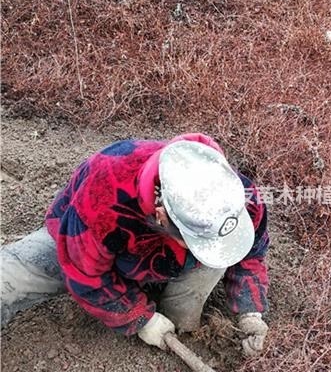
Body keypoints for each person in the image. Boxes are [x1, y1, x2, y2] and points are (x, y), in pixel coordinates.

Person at [0, 135, 270, 358]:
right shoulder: (104, 197)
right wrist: (140, 318)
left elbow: (251, 250)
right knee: (7, 280)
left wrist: (251, 312)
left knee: (206, 271)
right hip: (86, 246)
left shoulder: (235, 194)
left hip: (163, 260)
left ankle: (178, 318)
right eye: (194, 242)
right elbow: (86, 275)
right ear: (162, 216)